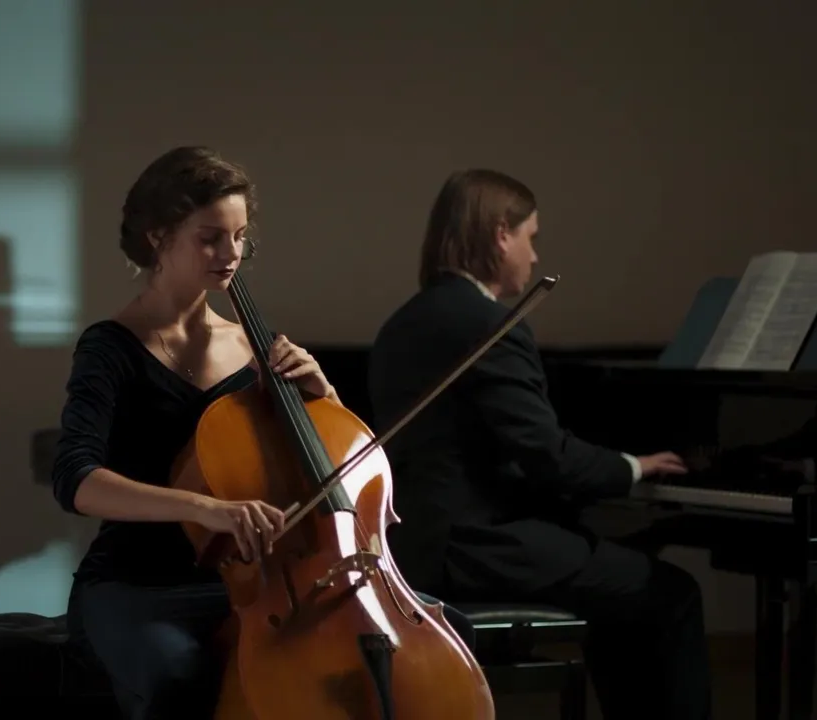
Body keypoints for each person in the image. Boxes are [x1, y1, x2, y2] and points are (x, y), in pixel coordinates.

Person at [51, 146, 476, 719]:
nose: (231, 255)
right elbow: (76, 479)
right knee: (177, 676)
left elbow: (330, 472)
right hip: (140, 585)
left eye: (240, 237)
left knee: (442, 631)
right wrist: (205, 508)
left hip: (262, 585)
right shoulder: (111, 348)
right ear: (157, 237)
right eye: (210, 238)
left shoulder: (255, 347)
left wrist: (326, 397)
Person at [367, 169, 712, 720]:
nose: (534, 256)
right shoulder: (489, 324)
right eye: (531, 236)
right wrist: (633, 467)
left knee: (617, 586)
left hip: (414, 544)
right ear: (501, 234)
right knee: (670, 592)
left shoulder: (402, 323)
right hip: (477, 546)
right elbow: (548, 456)